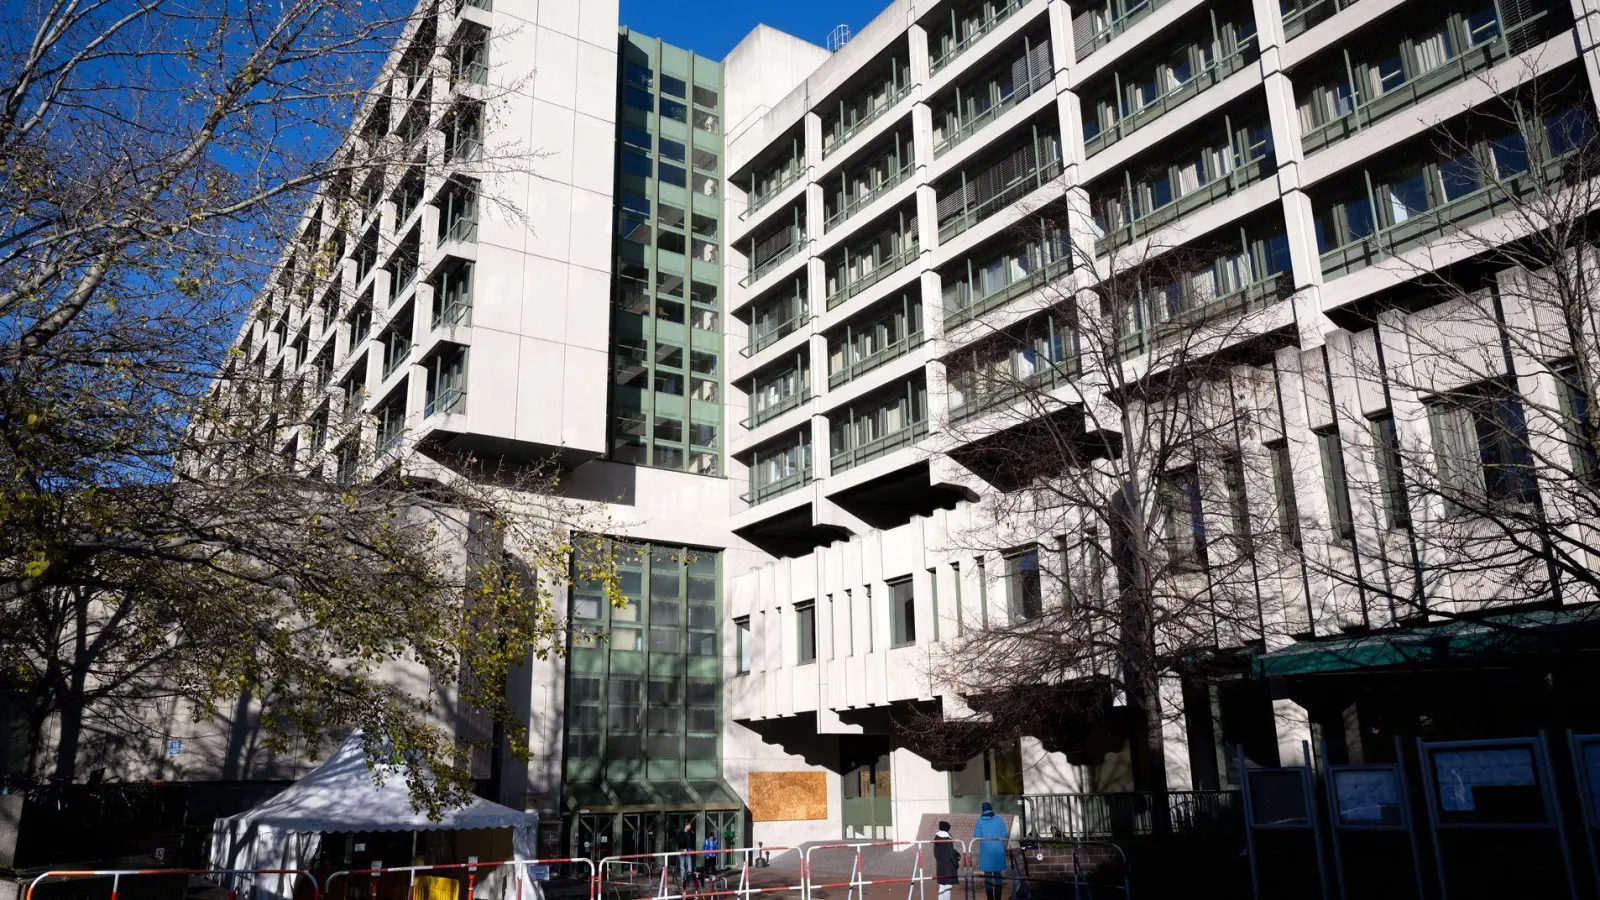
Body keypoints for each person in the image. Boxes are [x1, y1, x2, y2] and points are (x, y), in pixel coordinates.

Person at [971, 801, 1009, 900]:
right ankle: (998, 897)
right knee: (997, 875)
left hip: (986, 852)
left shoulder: (980, 821)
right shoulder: (999, 819)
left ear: (982, 810)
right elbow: (1004, 834)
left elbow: (977, 835)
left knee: (987, 876)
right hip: (998, 851)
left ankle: (990, 898)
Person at [932, 821, 961, 900]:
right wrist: (956, 863)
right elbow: (951, 853)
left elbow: (935, 853)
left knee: (941, 887)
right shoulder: (947, 839)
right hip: (948, 867)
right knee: (948, 887)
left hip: (940, 866)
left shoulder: (936, 838)